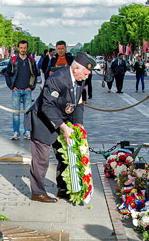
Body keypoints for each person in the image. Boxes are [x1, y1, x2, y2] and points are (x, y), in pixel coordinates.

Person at [24, 52, 96, 203]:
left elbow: (78, 103)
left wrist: (78, 126)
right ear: (76, 68)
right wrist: (63, 126)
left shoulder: (79, 79)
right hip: (42, 121)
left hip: (61, 120)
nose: (86, 77)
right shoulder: (57, 79)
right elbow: (47, 107)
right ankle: (37, 192)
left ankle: (63, 189)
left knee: (63, 155)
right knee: (41, 160)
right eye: (85, 73)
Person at [5, 39, 38, 140]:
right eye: (21, 48)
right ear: (18, 48)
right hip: (16, 90)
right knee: (16, 113)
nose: (23, 49)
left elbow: (35, 74)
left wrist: (31, 87)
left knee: (27, 113)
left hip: (27, 90)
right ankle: (16, 132)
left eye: (25, 48)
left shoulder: (31, 60)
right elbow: (7, 73)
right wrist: (11, 86)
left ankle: (27, 131)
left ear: (27, 48)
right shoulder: (13, 59)